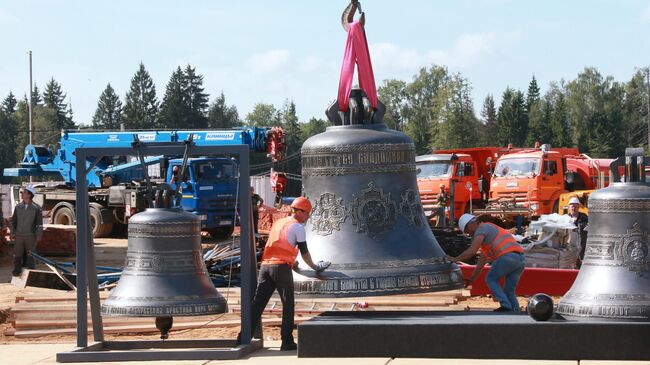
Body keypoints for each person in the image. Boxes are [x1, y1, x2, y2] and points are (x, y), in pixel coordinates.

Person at [249, 197, 330, 351]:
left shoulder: (280, 222)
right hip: (281, 269)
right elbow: (305, 253)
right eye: (307, 213)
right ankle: (286, 342)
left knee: (257, 304)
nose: (307, 217)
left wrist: (294, 262)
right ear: (300, 211)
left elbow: (281, 244)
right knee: (288, 304)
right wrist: (315, 267)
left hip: (266, 267)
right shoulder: (298, 227)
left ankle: (244, 337)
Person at [449, 213, 525, 312]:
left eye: (467, 231)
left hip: (507, 257)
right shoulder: (489, 233)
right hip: (520, 259)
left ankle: (506, 305)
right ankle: (515, 311)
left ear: (470, 225)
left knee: (491, 279)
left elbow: (472, 250)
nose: (469, 234)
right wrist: (471, 280)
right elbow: (481, 262)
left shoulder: (481, 229)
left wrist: (455, 259)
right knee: (509, 290)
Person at [11, 186, 43, 276]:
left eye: (24, 192)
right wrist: (13, 232)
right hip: (19, 235)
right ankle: (17, 272)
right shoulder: (18, 207)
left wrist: (38, 236)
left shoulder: (36, 208)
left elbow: (39, 224)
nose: (22, 194)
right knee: (17, 254)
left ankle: (31, 273)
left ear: (29, 195)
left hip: (31, 235)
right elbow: (13, 221)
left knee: (31, 254)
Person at [566, 196, 588, 265]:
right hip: (570, 244)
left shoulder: (584, 217)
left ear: (578, 207)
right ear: (569, 207)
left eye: (575, 206)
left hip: (582, 243)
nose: (573, 208)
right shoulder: (566, 218)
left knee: (582, 260)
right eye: (572, 206)